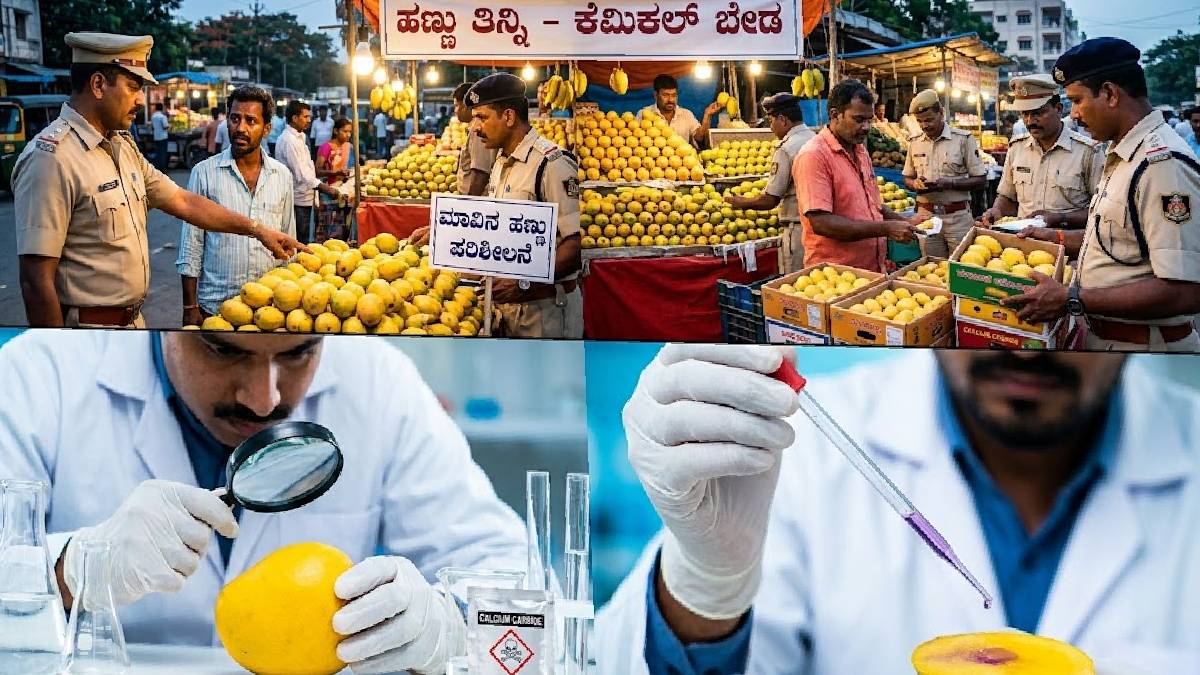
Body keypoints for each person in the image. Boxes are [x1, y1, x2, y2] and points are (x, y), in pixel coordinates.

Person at [596, 344, 1200, 674]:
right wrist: (706, 590)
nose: (1022, 352)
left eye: (1055, 328)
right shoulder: (803, 444)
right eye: (992, 320)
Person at [0, 330, 526, 673]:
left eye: (299, 353)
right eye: (223, 349)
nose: (265, 399)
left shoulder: (381, 382)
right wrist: (71, 569)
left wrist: (445, 627)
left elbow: (513, 587)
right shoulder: (38, 375)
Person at [11, 32, 302, 329]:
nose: (141, 100)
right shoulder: (52, 158)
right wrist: (56, 358)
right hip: (88, 334)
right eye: (134, 87)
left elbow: (183, 201)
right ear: (98, 84)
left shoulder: (123, 148)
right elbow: (36, 280)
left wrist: (257, 230)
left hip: (133, 324)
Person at [1003, 38, 1200, 352]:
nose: (1074, 116)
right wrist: (1051, 237)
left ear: (1110, 93)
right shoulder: (1124, 155)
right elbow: (1117, 240)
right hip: (1109, 340)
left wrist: (1071, 299)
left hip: (1146, 351)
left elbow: (1185, 291)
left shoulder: (1162, 166)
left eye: (1077, 101)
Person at [467, 72, 582, 339]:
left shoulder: (552, 164)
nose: (474, 127)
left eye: (481, 117)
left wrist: (525, 281)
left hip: (546, 312)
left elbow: (575, 244)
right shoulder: (500, 163)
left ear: (508, 117)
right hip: (510, 311)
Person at [176, 86, 296, 327]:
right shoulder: (204, 173)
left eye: (251, 121)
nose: (241, 128)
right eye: (235, 118)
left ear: (266, 129)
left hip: (268, 310)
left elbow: (287, 242)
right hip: (216, 307)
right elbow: (191, 244)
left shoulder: (282, 175)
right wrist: (190, 307)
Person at [791, 79, 917, 273]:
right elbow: (821, 223)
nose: (866, 127)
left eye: (869, 120)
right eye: (859, 120)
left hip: (870, 270)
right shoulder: (814, 155)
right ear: (835, 115)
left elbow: (871, 204)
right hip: (835, 276)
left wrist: (902, 221)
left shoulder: (860, 151)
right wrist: (885, 228)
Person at [978, 74, 1104, 230]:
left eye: (1038, 113)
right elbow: (1007, 196)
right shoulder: (1017, 148)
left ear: (1058, 109)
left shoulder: (1088, 151)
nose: (1030, 121)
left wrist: (1059, 219)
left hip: (1068, 247)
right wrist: (997, 210)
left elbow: (1101, 210)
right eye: (1025, 114)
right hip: (1024, 247)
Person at [725, 93, 815, 272]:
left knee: (798, 286)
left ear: (782, 119)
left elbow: (770, 199)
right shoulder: (816, 139)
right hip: (821, 229)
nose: (771, 127)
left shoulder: (787, 148)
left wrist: (741, 202)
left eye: (771, 121)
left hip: (799, 230)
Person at [409, 81, 498, 247]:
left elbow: (480, 172)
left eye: (456, 105)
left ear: (467, 105)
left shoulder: (477, 131)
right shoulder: (474, 129)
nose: (455, 110)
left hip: (477, 205)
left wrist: (465, 209)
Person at [903, 89, 989, 257]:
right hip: (926, 217)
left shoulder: (963, 139)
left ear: (941, 112)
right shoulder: (915, 142)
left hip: (957, 217)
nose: (925, 125)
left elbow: (980, 179)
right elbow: (907, 176)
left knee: (962, 266)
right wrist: (915, 184)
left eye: (929, 120)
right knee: (931, 268)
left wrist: (949, 184)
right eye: (920, 121)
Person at [275, 100, 341, 243]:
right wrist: (326, 188)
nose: (309, 120)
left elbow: (308, 167)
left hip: (305, 195)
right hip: (296, 196)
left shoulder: (300, 137)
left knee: (304, 235)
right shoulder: (289, 140)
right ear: (294, 118)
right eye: (305, 117)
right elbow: (302, 174)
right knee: (299, 237)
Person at [637, 75, 721, 149]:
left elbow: (699, 138)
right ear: (655, 95)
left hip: (683, 165)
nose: (670, 100)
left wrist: (707, 115)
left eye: (674, 95)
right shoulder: (643, 114)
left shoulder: (686, 114)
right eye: (665, 95)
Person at [314, 117, 354, 242]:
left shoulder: (349, 147)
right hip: (327, 193)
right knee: (326, 226)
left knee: (340, 228)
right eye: (345, 131)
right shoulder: (326, 147)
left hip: (342, 192)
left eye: (350, 132)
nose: (348, 135)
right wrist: (335, 172)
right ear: (336, 131)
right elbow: (317, 171)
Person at [150, 102, 169, 171]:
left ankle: (157, 168)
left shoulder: (153, 116)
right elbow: (165, 126)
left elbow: (152, 127)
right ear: (162, 108)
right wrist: (169, 126)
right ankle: (163, 168)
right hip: (163, 137)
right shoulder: (162, 116)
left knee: (158, 153)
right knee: (163, 153)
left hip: (156, 137)